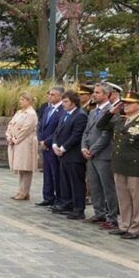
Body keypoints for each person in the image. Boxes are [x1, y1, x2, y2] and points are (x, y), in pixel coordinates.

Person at [99, 92, 139, 239]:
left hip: (135, 168)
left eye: (130, 103)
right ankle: (124, 225)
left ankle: (135, 229)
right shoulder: (120, 120)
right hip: (119, 165)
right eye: (124, 102)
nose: (126, 105)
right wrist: (111, 111)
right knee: (123, 198)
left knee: (137, 200)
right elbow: (101, 125)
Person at [82, 83, 118, 229]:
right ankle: (99, 213)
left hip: (103, 155)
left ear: (106, 95)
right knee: (94, 185)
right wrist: (84, 147)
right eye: (94, 92)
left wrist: (93, 150)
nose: (94, 95)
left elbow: (106, 135)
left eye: (97, 92)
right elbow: (87, 131)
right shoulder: (92, 111)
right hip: (90, 154)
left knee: (107, 187)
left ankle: (112, 217)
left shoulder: (112, 111)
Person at [51, 90, 89, 219]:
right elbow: (57, 131)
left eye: (66, 101)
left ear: (74, 102)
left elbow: (76, 135)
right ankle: (67, 203)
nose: (63, 104)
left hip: (74, 156)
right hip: (63, 155)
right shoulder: (65, 114)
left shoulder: (80, 115)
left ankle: (78, 208)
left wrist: (63, 148)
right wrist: (55, 145)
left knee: (76, 182)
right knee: (65, 181)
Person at [6, 92, 39, 200]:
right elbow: (10, 125)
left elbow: (26, 129)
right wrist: (9, 136)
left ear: (28, 101)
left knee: (26, 167)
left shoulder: (31, 114)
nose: (20, 101)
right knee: (20, 167)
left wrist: (16, 139)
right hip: (17, 143)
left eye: (22, 100)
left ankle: (25, 191)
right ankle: (20, 190)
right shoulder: (19, 112)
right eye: (20, 99)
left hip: (25, 143)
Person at [36, 87, 65, 207]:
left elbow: (58, 129)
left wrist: (47, 142)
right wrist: (41, 140)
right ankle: (48, 197)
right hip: (45, 146)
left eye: (53, 95)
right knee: (47, 173)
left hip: (54, 146)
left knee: (56, 173)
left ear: (60, 96)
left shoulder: (63, 109)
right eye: (49, 94)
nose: (50, 96)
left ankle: (59, 199)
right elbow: (41, 125)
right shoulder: (48, 109)